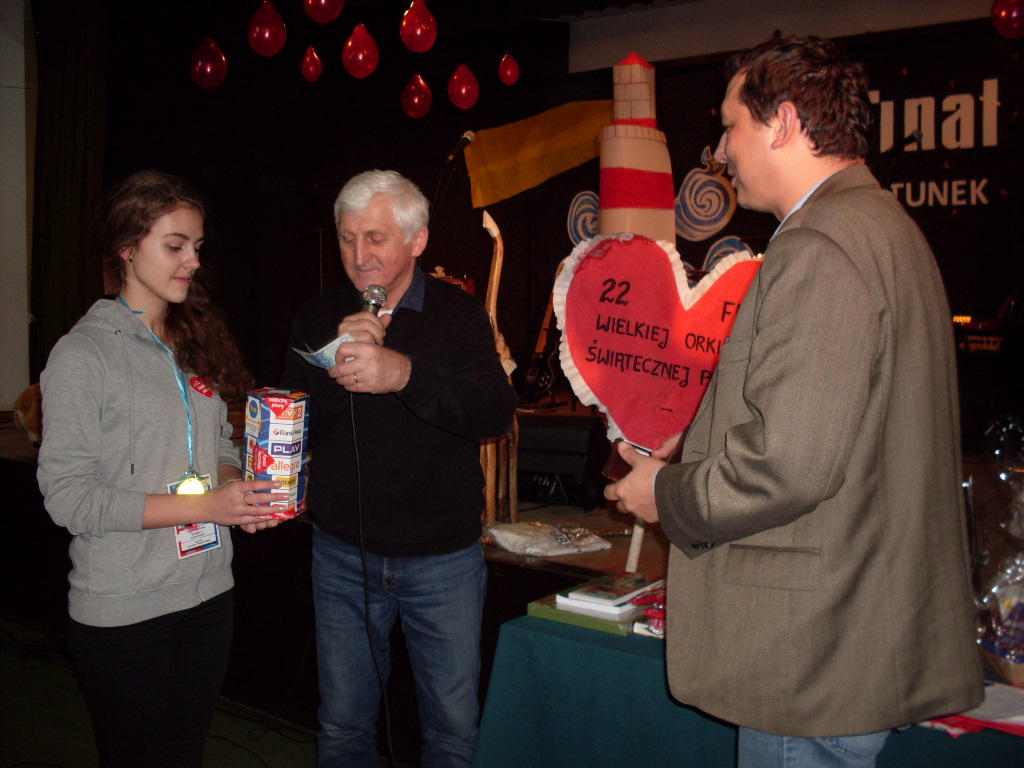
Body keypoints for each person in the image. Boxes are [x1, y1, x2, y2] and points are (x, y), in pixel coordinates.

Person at [604, 35, 983, 767]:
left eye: (730, 126)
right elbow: (848, 432)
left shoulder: (820, 246)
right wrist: (696, 446)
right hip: (850, 632)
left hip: (808, 655)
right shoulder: (881, 228)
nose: (721, 151)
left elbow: (786, 466)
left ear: (780, 123)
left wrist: (666, 493)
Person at [37, 169, 287, 768]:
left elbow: (221, 447)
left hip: (207, 596)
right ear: (127, 248)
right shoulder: (82, 354)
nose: (192, 260)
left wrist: (236, 492)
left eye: (196, 246)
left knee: (183, 755)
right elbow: (69, 498)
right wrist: (205, 506)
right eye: (175, 245)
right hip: (125, 609)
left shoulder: (194, 343)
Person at [280, 169, 518, 768]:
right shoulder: (318, 316)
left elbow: (494, 411)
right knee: (342, 727)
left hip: (443, 561)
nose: (359, 255)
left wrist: (402, 373)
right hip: (343, 554)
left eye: (376, 238)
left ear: (418, 240)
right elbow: (295, 426)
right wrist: (336, 369)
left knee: (453, 733)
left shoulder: (458, 315)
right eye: (347, 238)